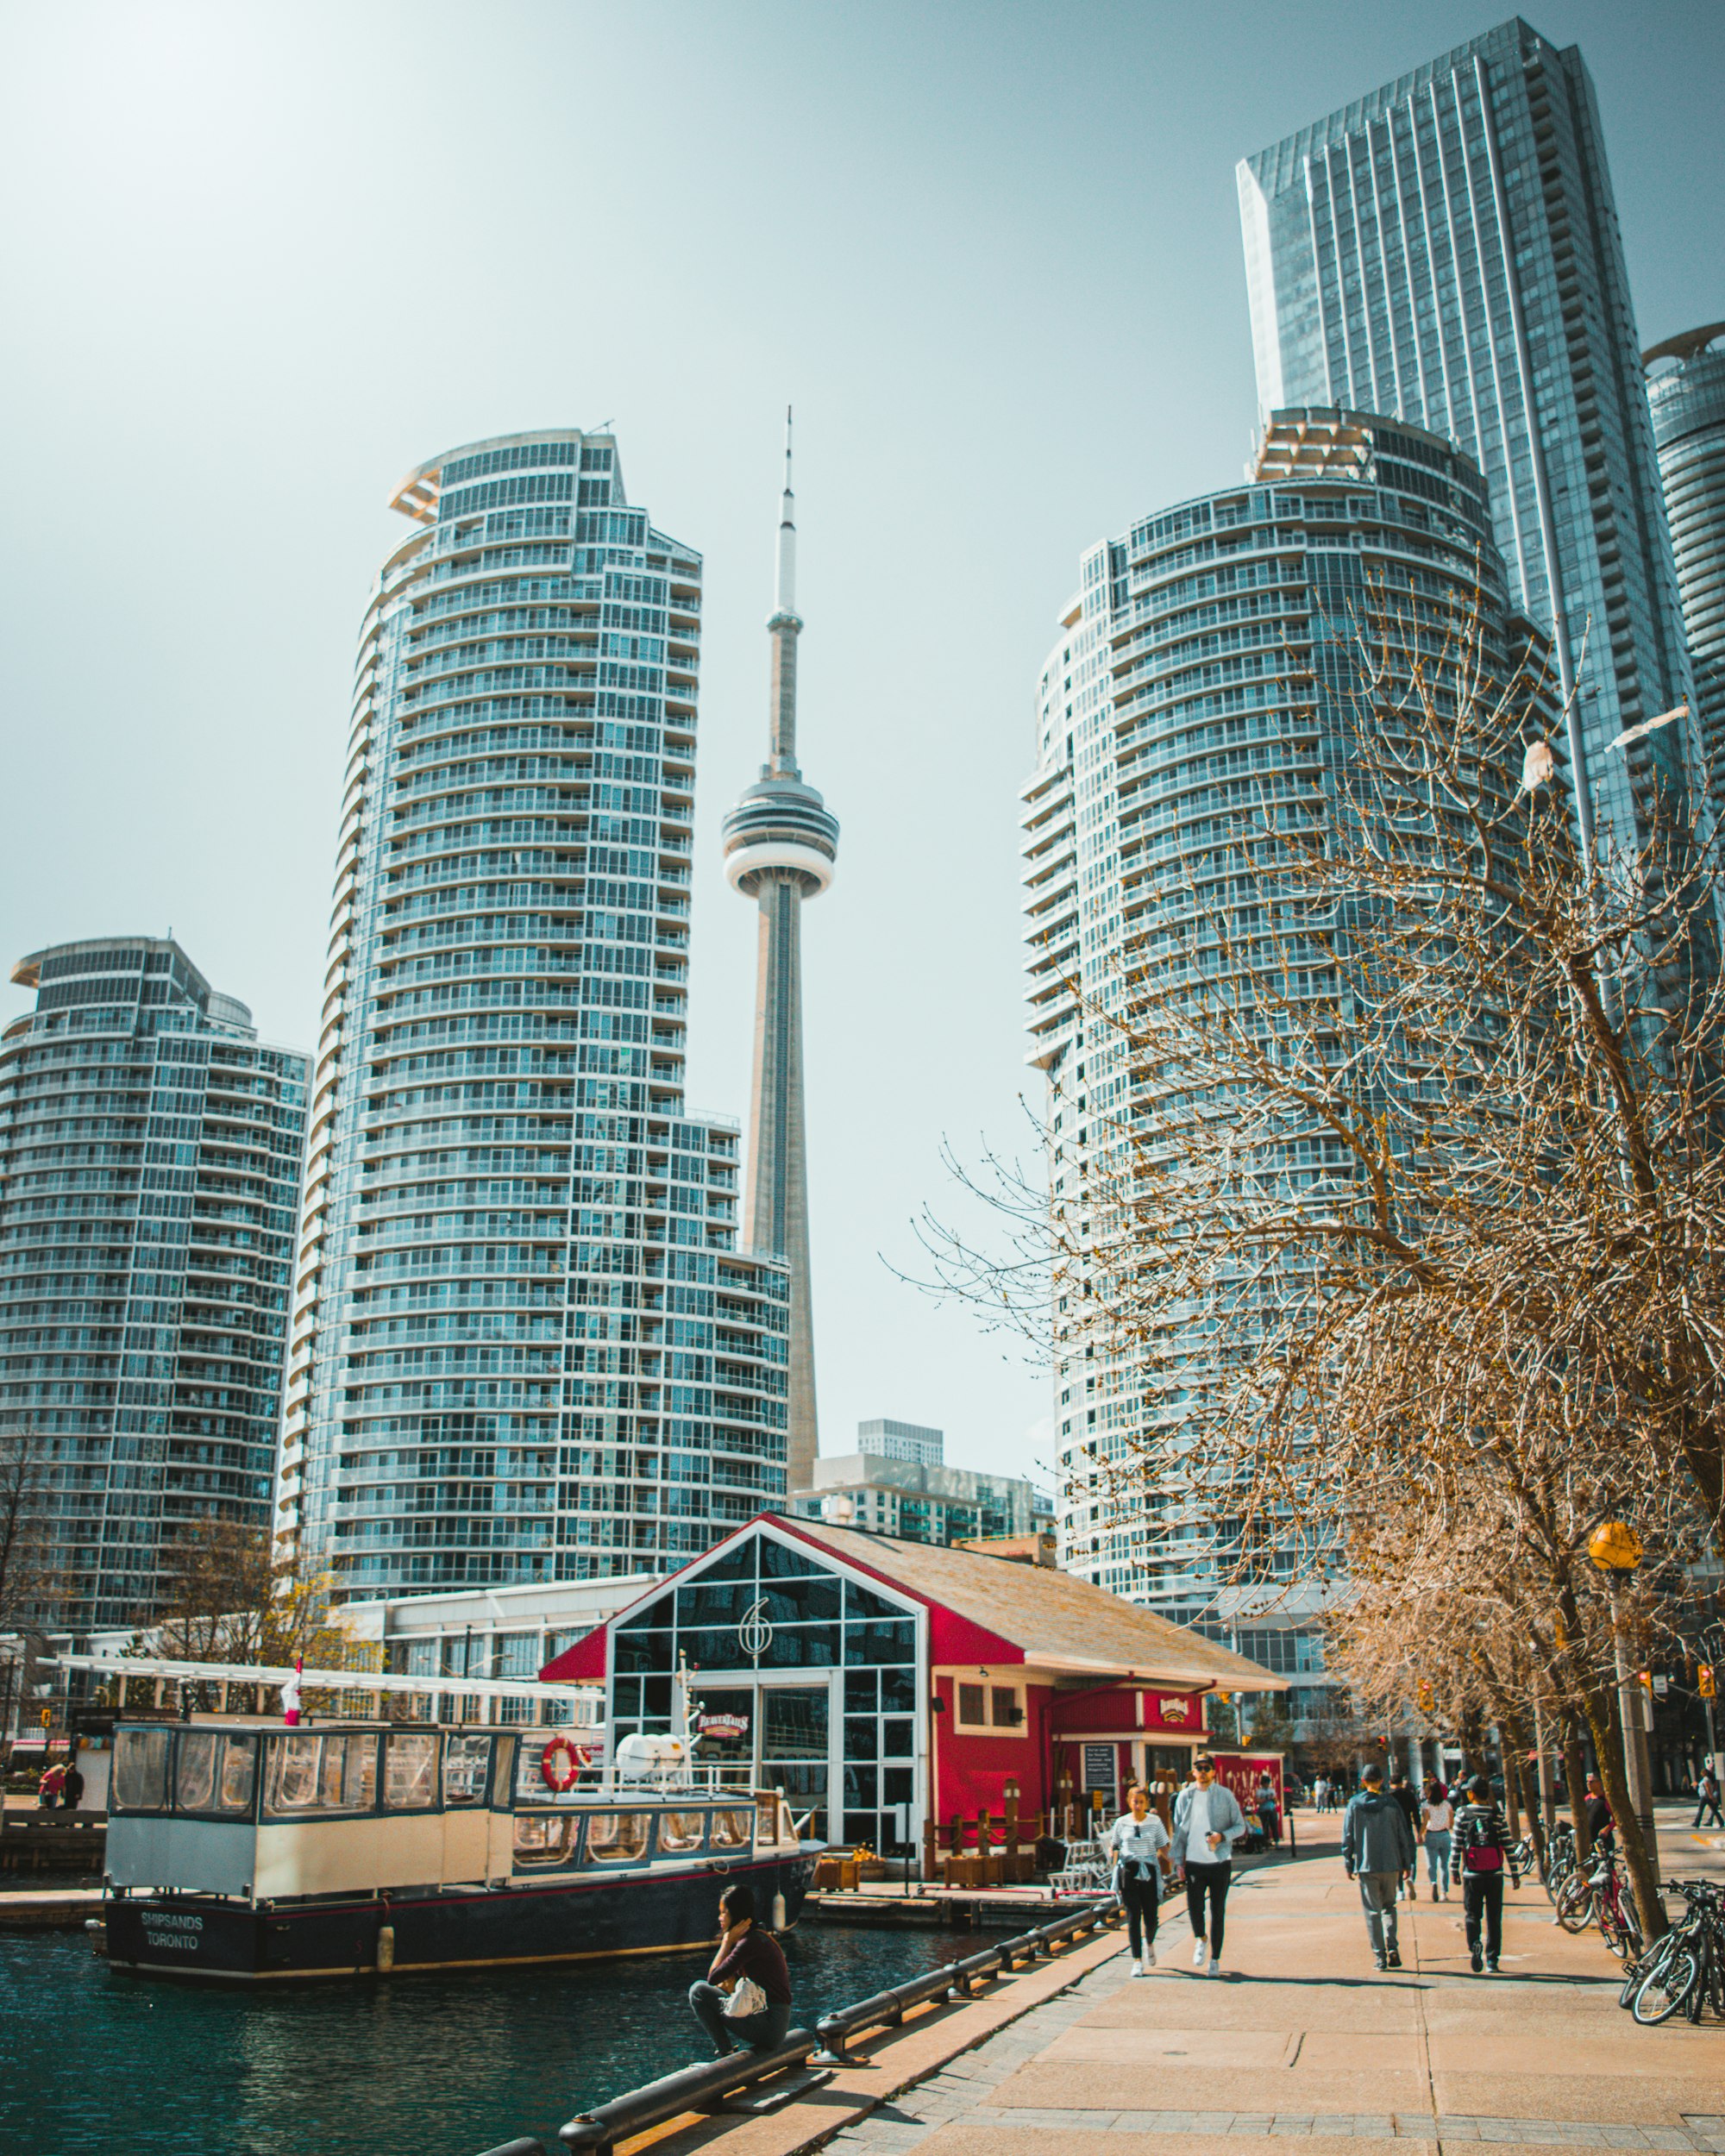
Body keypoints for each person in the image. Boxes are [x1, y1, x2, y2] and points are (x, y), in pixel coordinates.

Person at [687, 1884, 792, 2058]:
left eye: (724, 1913)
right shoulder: (757, 1936)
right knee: (709, 1990)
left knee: (698, 1991)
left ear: (735, 1913)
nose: (720, 1918)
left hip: (770, 2027)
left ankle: (725, 2051)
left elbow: (712, 1978)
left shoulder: (749, 1943)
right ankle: (725, 2050)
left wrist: (726, 1942)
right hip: (773, 2022)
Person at [1169, 1752, 1246, 1977]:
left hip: (1219, 1861)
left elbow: (1240, 1826)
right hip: (1194, 1861)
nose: (1202, 1772)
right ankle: (1201, 1938)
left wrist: (1222, 1836)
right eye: (1199, 1768)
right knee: (1194, 1908)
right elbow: (1179, 1832)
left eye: (1207, 1768)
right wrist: (1178, 1862)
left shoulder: (1225, 1795)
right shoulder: (1185, 1796)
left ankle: (1215, 1959)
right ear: (1193, 1772)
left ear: (1214, 1771)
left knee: (1218, 1911)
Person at [1341, 1763, 1416, 1971]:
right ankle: (1392, 1945)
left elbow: (1348, 1836)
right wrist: (1406, 1861)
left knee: (1372, 1911)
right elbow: (1403, 1833)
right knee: (1389, 1906)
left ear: (1363, 1781)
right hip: (1391, 1863)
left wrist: (1348, 1861)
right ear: (1381, 1781)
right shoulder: (1391, 1804)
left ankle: (1380, 1956)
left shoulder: (1354, 1805)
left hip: (1367, 1865)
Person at [1450, 1772, 1518, 1974]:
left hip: (1472, 1874)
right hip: (1495, 1874)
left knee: (1472, 1915)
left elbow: (1457, 1845)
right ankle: (1492, 1960)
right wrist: (1514, 1873)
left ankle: (1475, 1946)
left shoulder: (1462, 1814)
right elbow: (1508, 1844)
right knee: (1494, 1918)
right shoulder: (1496, 1815)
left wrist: (1454, 1869)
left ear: (1471, 1794)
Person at [1107, 1783, 1171, 1975]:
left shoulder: (1154, 1822)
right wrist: (1112, 1854)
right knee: (1133, 1915)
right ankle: (1136, 1960)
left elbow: (1163, 1846)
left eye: (1141, 1802)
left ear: (1146, 1803)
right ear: (1129, 1802)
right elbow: (1115, 1845)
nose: (1138, 1805)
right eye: (1135, 1801)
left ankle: (1149, 1941)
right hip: (1128, 1869)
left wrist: (1177, 1863)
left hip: (1149, 1870)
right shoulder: (1121, 1823)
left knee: (1151, 1916)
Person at [1420, 1778, 1453, 1902]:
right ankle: (1444, 1893)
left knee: (1431, 1864)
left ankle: (1433, 1882)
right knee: (1444, 1865)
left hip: (1431, 1835)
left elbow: (1425, 1821)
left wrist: (1420, 1834)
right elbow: (1451, 1821)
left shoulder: (1426, 1805)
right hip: (1445, 1835)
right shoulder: (1447, 1804)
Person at [1389, 1774, 1421, 1898]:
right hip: (1407, 1830)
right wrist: (1419, 1831)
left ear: (1390, 1783)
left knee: (1397, 1860)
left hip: (1393, 1832)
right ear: (1401, 1783)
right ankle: (1411, 1878)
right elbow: (1416, 1814)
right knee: (1411, 1857)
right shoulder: (1409, 1795)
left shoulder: (1388, 1797)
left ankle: (1400, 1891)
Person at [1583, 1772, 1614, 1856]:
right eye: (1587, 1782)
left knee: (1607, 1864)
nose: (1588, 1784)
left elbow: (1616, 1818)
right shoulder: (1586, 1799)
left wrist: (1607, 1829)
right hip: (1589, 1839)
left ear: (1599, 1782)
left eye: (1591, 1782)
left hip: (1602, 1839)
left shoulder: (1605, 1799)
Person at [1690, 1764, 1722, 1829]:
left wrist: (1711, 1796)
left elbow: (1707, 1788)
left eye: (1702, 1773)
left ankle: (1696, 1823)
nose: (1701, 1774)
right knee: (1714, 1810)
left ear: (1704, 1773)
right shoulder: (1707, 1779)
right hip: (1706, 1797)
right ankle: (1721, 1822)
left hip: (1705, 1797)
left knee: (1701, 1810)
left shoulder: (1706, 1779)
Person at [1254, 1772, 1280, 1850]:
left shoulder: (1272, 1790)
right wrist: (1265, 1799)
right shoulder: (1259, 1791)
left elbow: (1276, 1801)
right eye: (1266, 1783)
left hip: (1271, 1809)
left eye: (1268, 1783)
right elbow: (1257, 1801)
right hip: (1263, 1810)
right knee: (1263, 1827)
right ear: (1263, 1784)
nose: (1267, 1785)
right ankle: (1264, 1843)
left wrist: (1273, 1798)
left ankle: (1277, 1842)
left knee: (1274, 1826)